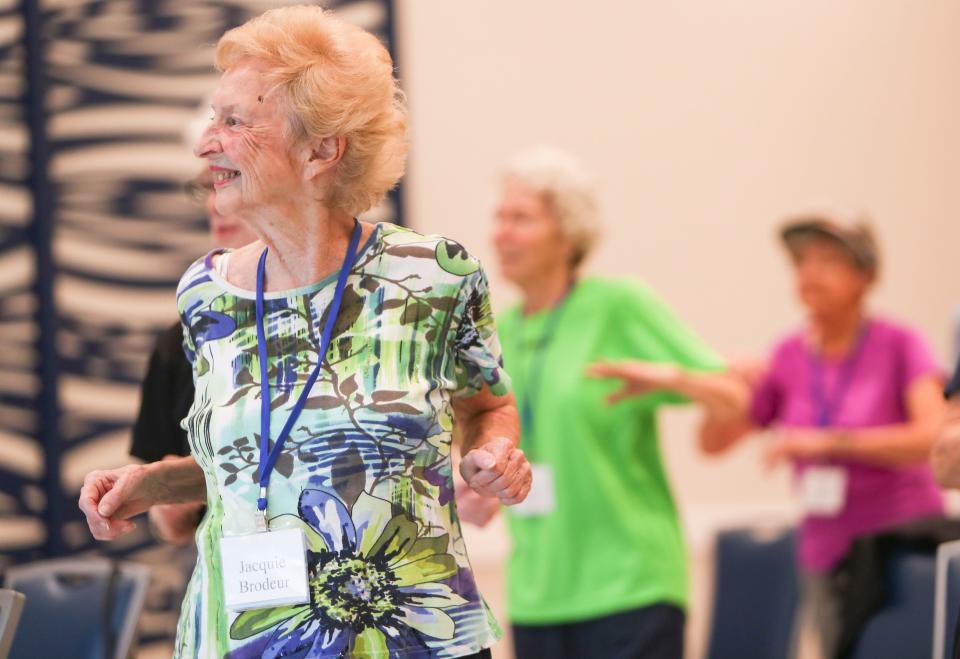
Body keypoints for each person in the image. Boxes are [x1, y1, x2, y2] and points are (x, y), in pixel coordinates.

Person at [79, 7, 530, 658]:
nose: (209, 142)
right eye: (215, 118)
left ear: (322, 148)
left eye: (235, 121)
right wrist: (153, 483)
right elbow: (253, 465)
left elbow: (490, 403)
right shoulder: (206, 295)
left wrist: (497, 453)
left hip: (413, 639)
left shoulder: (433, 277)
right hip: (240, 638)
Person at [609, 212, 946, 657]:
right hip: (827, 557)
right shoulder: (787, 355)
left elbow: (932, 438)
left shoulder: (900, 343)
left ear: (866, 275)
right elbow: (712, 444)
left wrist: (826, 442)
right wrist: (726, 384)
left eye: (828, 260)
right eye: (801, 261)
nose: (809, 272)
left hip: (902, 551)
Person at [464, 147, 738, 659]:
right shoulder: (498, 330)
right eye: (499, 218)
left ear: (568, 234)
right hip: (538, 595)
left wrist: (673, 376)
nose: (501, 233)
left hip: (631, 588)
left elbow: (735, 397)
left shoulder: (618, 307)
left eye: (520, 218)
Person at [130, 168, 257, 545]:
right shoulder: (182, 340)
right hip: (230, 577)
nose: (215, 204)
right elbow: (171, 526)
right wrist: (170, 504)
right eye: (211, 187)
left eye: (233, 178)